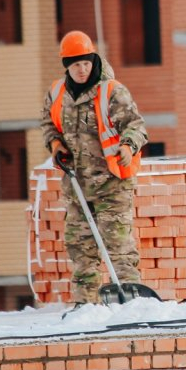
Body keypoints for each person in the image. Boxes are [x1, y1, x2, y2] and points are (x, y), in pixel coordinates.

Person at [41, 30, 148, 304]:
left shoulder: (112, 91)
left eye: (86, 63)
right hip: (77, 185)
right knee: (80, 245)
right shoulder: (57, 93)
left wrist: (127, 147)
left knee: (118, 244)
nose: (82, 69)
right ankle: (85, 303)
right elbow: (48, 125)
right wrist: (55, 145)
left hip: (112, 182)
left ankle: (132, 300)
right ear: (67, 65)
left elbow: (136, 126)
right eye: (76, 64)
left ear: (93, 60)